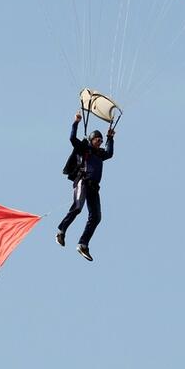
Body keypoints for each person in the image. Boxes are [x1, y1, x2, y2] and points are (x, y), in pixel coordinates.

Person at [56, 111, 115, 261]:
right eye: (97, 139)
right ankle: (61, 231)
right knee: (77, 207)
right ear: (91, 139)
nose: (100, 142)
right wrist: (76, 122)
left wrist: (110, 138)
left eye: (101, 141)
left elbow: (109, 153)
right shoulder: (85, 149)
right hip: (83, 181)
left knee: (96, 217)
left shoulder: (100, 153)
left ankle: (83, 244)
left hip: (94, 188)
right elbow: (71, 138)